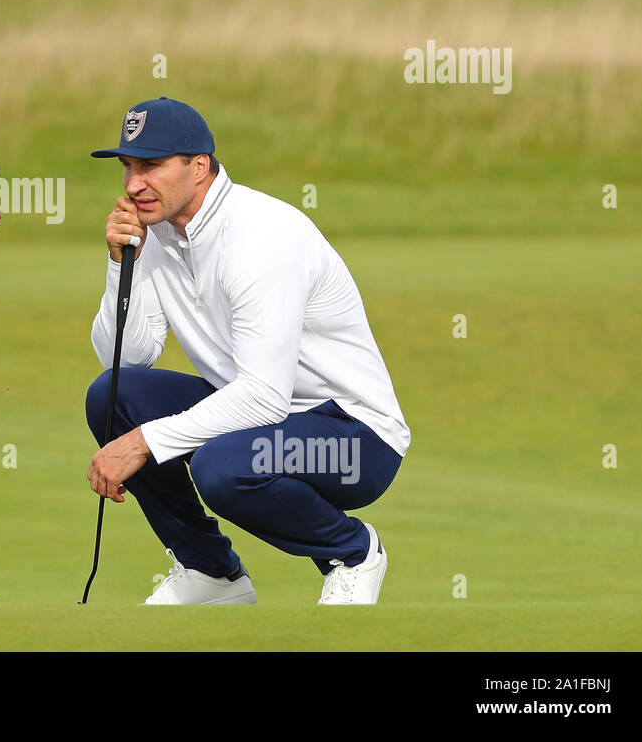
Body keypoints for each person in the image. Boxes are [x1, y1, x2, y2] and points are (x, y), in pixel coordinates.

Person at [85, 97, 409, 605]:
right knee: (112, 396)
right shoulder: (159, 231)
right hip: (263, 418)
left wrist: (144, 442)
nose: (132, 184)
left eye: (150, 165)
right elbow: (126, 359)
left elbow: (263, 397)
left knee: (222, 466)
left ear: (199, 167)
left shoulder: (261, 236)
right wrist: (119, 263)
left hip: (355, 440)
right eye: (127, 166)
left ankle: (353, 552)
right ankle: (210, 573)